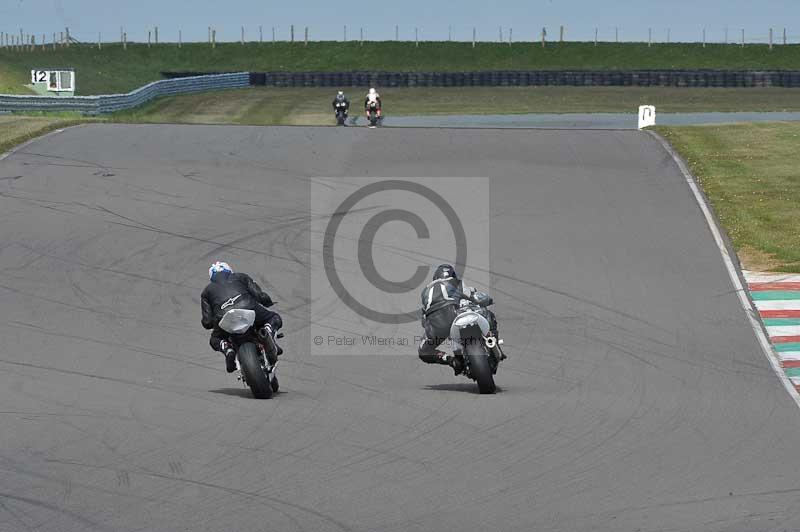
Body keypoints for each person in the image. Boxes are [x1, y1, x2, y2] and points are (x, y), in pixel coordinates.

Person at [417, 264, 502, 375]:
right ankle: (492, 340)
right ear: (452, 275)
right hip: (455, 313)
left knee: (424, 351)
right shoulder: (456, 282)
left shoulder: (425, 292)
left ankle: (452, 361)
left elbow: (424, 321)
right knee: (488, 313)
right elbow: (475, 297)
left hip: (436, 325)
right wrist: (488, 300)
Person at [201, 261, 283, 373]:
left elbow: (207, 322)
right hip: (248, 308)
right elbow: (260, 295)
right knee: (274, 318)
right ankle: (268, 331)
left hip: (224, 317)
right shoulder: (240, 276)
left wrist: (216, 320)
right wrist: (268, 302)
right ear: (229, 270)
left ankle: (228, 349)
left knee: (215, 339)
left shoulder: (206, 292)